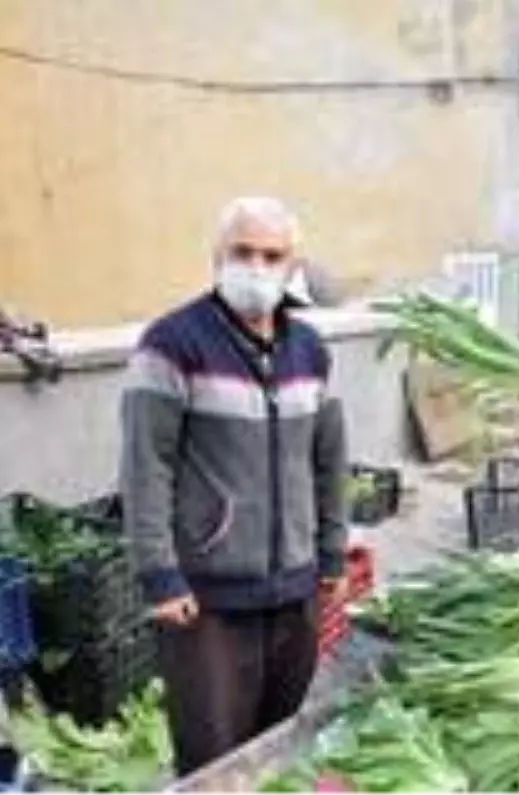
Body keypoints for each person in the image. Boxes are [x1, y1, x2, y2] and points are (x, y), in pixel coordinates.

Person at [120, 196, 349, 776]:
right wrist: (159, 573)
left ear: (290, 263)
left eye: (272, 255)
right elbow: (146, 465)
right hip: (207, 601)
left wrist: (331, 558)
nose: (257, 267)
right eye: (242, 252)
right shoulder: (172, 344)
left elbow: (329, 462)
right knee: (214, 759)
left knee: (282, 751)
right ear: (216, 257)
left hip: (294, 592)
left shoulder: (311, 353)